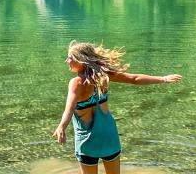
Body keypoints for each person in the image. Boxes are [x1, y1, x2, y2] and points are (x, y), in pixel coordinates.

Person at [52, 41, 182, 174]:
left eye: (70, 57)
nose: (66, 60)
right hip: (109, 137)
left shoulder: (76, 83)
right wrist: (163, 79)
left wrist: (62, 126)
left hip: (87, 141)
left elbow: (70, 107)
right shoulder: (104, 76)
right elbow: (134, 79)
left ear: (81, 60)